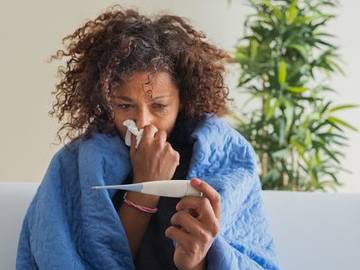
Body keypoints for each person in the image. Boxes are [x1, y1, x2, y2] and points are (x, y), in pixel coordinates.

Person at [16, 6, 280, 270]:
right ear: (106, 103)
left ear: (182, 100)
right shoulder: (75, 165)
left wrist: (197, 262)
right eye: (124, 106)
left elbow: (248, 258)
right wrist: (145, 188)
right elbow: (76, 259)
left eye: (159, 106)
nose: (142, 122)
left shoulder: (224, 160)